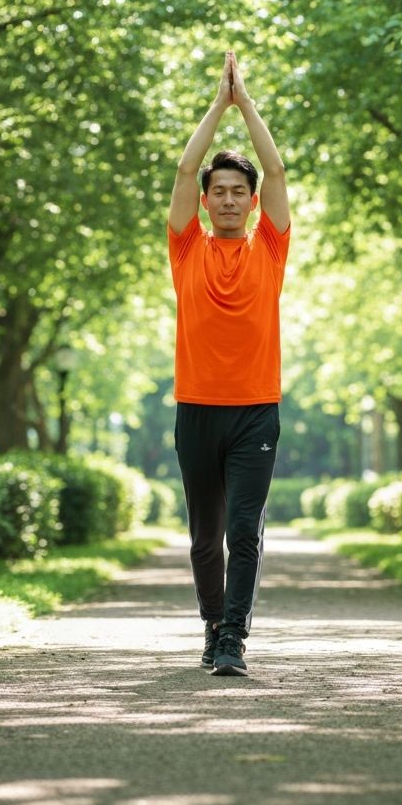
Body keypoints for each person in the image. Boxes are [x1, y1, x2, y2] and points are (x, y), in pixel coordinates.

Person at [167, 50, 291, 677]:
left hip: (254, 413)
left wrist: (248, 104)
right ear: (208, 200)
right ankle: (213, 624)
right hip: (195, 409)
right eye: (219, 193)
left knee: (244, 530)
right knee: (202, 536)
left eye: (239, 193)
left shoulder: (271, 247)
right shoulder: (186, 248)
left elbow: (275, 166)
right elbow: (186, 167)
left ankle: (233, 639)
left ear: (252, 201)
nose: (228, 201)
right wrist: (219, 104)